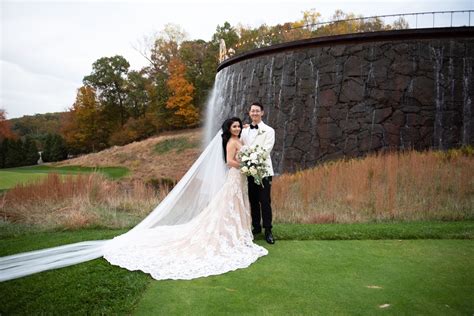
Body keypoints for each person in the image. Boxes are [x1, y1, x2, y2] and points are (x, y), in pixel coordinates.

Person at [0, 117, 268, 282]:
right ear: (227, 128)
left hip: (239, 180)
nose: (236, 128)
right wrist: (244, 164)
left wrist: (249, 151)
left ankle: (238, 232)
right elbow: (229, 161)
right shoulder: (230, 142)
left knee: (234, 207)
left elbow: (245, 141)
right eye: (233, 125)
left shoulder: (240, 136)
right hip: (236, 176)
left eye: (237, 125)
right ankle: (228, 234)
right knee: (226, 208)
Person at [241, 102, 276, 244]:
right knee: (253, 200)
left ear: (262, 113)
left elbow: (266, 150)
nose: (254, 113)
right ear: (249, 113)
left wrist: (252, 158)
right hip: (248, 171)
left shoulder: (269, 130)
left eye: (257, 111)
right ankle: (256, 227)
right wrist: (247, 163)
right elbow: (241, 146)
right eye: (252, 111)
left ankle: (268, 229)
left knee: (265, 201)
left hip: (264, 171)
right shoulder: (244, 131)